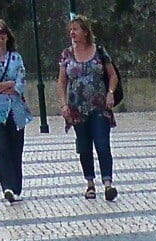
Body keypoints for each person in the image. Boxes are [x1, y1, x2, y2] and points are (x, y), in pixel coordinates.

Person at [58, 15, 119, 201]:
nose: (72, 33)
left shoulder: (99, 51)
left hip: (99, 106)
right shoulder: (67, 55)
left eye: (75, 29)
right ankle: (90, 183)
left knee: (102, 144)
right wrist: (63, 104)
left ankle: (108, 183)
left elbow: (113, 75)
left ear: (85, 32)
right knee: (84, 147)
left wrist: (110, 92)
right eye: (71, 30)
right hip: (77, 109)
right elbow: (61, 82)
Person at [0, 20, 32, 203]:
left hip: (16, 110)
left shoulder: (16, 58)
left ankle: (16, 187)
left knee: (16, 149)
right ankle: (7, 187)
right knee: (2, 148)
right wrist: (8, 84)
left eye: (3, 32)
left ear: (8, 36)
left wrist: (2, 86)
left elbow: (21, 83)